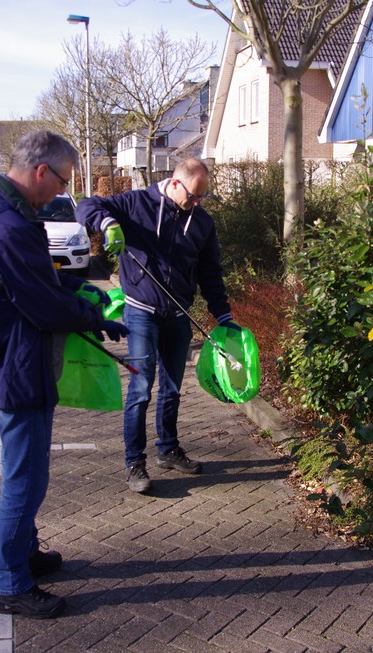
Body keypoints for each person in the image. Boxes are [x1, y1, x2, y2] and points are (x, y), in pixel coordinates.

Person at [0, 130, 127, 618]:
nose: (63, 191)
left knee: (24, 468)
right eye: (64, 180)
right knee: (25, 478)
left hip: (10, 357)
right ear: (41, 170)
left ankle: (25, 554)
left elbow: (36, 280)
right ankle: (10, 582)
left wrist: (79, 293)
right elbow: (40, 302)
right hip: (14, 364)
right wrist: (93, 316)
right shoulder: (7, 226)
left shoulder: (4, 214)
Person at [77, 158, 239, 493]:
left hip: (178, 315)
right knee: (140, 390)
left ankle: (168, 449)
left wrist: (222, 314)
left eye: (202, 197)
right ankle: (135, 463)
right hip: (141, 314)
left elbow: (210, 272)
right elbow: (86, 206)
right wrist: (108, 223)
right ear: (175, 183)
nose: (197, 203)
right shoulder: (136, 204)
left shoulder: (202, 223)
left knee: (172, 388)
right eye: (193, 196)